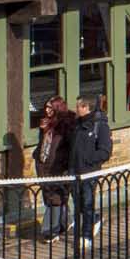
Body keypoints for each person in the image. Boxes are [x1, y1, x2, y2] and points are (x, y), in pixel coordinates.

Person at [69, 92, 112, 244]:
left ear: (86, 107)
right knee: (78, 204)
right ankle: (95, 219)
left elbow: (105, 151)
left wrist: (88, 161)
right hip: (74, 172)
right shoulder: (77, 124)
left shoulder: (99, 125)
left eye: (78, 106)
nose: (76, 109)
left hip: (88, 172)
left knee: (87, 203)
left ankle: (86, 236)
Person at [33, 97, 73, 238]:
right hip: (44, 165)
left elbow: (69, 147)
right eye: (46, 107)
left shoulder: (66, 125)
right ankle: (65, 222)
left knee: (55, 197)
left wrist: (66, 166)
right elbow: (43, 145)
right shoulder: (45, 124)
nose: (47, 110)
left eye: (50, 108)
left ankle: (50, 230)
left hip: (58, 166)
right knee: (50, 196)